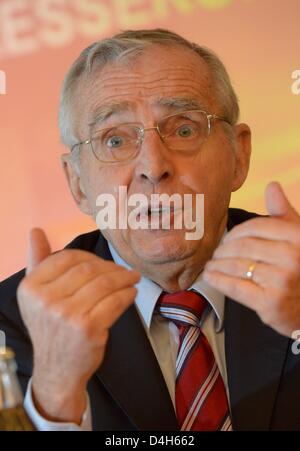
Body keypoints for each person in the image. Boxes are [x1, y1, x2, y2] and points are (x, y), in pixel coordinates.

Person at [1, 28, 300, 431]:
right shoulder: (12, 324)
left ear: (238, 154)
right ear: (77, 183)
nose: (153, 167)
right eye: (115, 141)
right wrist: (55, 393)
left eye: (184, 129)